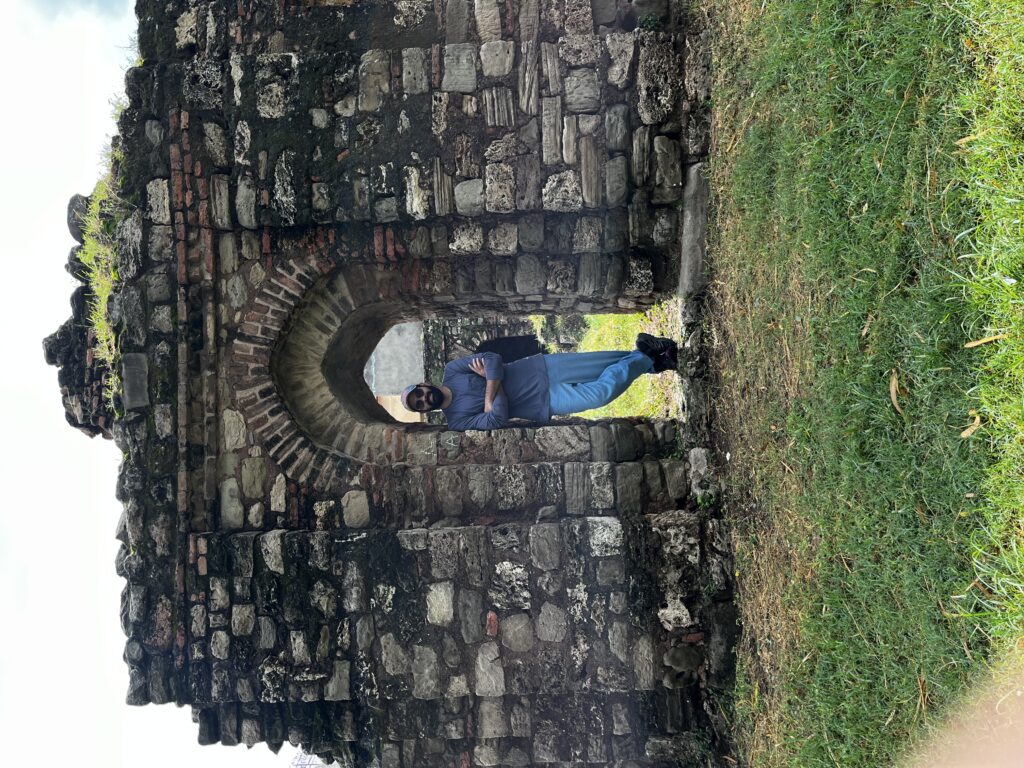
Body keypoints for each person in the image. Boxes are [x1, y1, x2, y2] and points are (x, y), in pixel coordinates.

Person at [401, 334, 678, 431]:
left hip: (540, 369)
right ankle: (646, 354)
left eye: (420, 394)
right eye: (420, 405)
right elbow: (498, 419)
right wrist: (490, 386)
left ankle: (654, 358)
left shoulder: (453, 370)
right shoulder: (457, 421)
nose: (425, 399)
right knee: (600, 395)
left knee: (603, 362)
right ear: (424, 410)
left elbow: (493, 358)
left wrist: (491, 390)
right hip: (543, 403)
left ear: (424, 384)